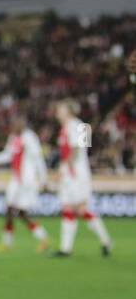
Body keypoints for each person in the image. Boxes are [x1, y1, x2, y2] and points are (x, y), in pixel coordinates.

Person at [53, 99, 112, 258]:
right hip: (69, 172)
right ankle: (65, 248)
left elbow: (77, 150)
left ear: (69, 110)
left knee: (81, 208)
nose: (57, 111)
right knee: (67, 208)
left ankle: (106, 240)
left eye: (60, 108)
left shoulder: (77, 125)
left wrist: (64, 168)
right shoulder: (67, 128)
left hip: (77, 173)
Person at [0, 114, 49, 254]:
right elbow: (7, 155)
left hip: (27, 181)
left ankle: (41, 239)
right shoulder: (13, 138)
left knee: (20, 213)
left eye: (16, 124)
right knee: (12, 211)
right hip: (16, 180)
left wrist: (43, 179)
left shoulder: (30, 137)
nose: (13, 127)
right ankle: (9, 243)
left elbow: (38, 159)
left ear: (22, 124)